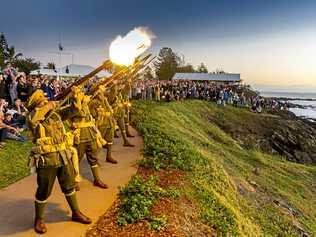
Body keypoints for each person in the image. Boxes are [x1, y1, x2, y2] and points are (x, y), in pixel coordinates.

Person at [26, 90, 91, 234]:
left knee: (69, 185)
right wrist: (49, 106)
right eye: (42, 101)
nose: (46, 101)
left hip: (63, 155)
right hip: (47, 159)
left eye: (46, 100)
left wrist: (75, 97)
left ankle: (76, 212)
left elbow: (73, 111)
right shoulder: (32, 116)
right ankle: (39, 219)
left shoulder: (55, 114)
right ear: (36, 105)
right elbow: (35, 118)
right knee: (44, 190)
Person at [67, 86, 108, 190]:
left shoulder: (84, 102)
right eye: (79, 92)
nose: (82, 93)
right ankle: (74, 180)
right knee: (77, 158)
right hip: (80, 135)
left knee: (93, 157)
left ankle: (97, 179)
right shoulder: (73, 104)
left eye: (81, 91)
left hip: (90, 133)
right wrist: (80, 100)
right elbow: (80, 112)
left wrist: (98, 91)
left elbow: (93, 106)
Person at [89, 85, 117, 164]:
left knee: (110, 140)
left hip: (109, 122)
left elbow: (110, 108)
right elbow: (92, 113)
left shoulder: (105, 99)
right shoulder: (94, 102)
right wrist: (101, 114)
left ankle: (109, 156)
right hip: (101, 124)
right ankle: (94, 159)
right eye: (101, 92)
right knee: (98, 142)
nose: (103, 93)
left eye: (102, 92)